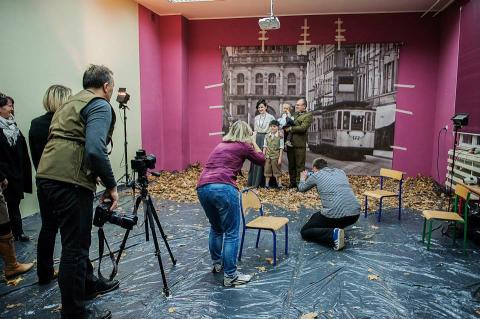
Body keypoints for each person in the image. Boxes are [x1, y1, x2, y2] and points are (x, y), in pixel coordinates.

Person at [36, 65, 119, 319]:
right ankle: (73, 312)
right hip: (70, 182)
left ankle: (88, 284)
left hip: (47, 177)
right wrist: (111, 185)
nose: (113, 91)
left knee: (75, 241)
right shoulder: (99, 104)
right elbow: (95, 149)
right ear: (106, 86)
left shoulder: (70, 103)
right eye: (112, 87)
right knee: (75, 248)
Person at [197, 120, 266, 287]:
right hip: (224, 188)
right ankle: (231, 277)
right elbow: (261, 160)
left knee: (216, 227)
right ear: (246, 134)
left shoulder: (221, 145)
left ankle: (217, 263)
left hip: (203, 187)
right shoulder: (243, 145)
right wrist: (255, 142)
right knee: (232, 233)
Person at [29, 84, 72, 285]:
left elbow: (36, 159)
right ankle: (70, 273)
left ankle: (44, 273)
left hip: (43, 182)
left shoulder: (35, 124)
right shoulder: (66, 124)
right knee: (69, 231)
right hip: (64, 184)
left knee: (48, 228)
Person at [0, 93, 34, 278]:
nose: (11, 109)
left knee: (13, 205)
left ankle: (17, 232)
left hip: (14, 174)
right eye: (8, 106)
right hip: (4, 176)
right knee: (5, 209)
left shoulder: (13, 126)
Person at [298, 159, 361, 250]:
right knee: (315, 216)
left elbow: (301, 188)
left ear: (314, 168)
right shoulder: (341, 172)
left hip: (335, 215)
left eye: (313, 170)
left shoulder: (316, 175)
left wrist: (302, 178)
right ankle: (338, 230)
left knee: (305, 231)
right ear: (326, 166)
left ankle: (333, 234)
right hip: (354, 215)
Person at [285, 98, 313, 188]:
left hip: (299, 145)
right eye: (296, 105)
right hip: (290, 144)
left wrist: (291, 128)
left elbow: (303, 128)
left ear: (304, 106)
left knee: (300, 166)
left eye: (298, 105)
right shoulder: (294, 114)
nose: (296, 106)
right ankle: (292, 183)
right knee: (291, 165)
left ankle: (299, 184)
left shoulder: (308, 115)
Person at [247, 99, 275, 187]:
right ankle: (255, 181)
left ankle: (265, 182)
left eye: (262, 107)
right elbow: (255, 130)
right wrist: (252, 141)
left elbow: (273, 130)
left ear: (266, 107)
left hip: (266, 138)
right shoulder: (256, 118)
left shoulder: (271, 117)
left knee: (266, 160)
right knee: (256, 158)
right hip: (257, 138)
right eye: (259, 107)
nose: (260, 109)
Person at [263, 120, 284, 188]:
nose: (272, 128)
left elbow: (281, 147)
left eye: (274, 126)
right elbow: (265, 146)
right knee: (267, 170)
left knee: (277, 170)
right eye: (271, 126)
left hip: (276, 156)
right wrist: (263, 155)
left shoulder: (280, 136)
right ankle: (266, 185)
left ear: (278, 127)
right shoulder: (267, 136)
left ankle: (280, 184)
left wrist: (280, 158)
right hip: (268, 156)